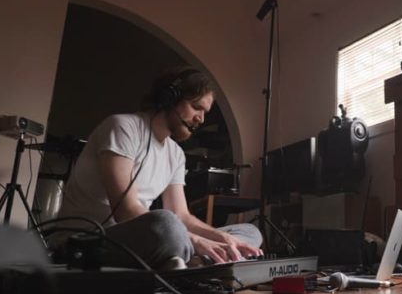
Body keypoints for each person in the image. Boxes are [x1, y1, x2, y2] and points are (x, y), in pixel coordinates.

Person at [55, 67, 262, 269]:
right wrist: (196, 241)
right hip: (87, 240)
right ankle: (196, 260)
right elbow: (125, 212)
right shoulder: (122, 127)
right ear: (169, 98)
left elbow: (182, 215)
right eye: (196, 107)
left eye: (205, 112)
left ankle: (189, 260)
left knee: (251, 233)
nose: (201, 119)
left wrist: (222, 238)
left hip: (146, 242)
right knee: (167, 225)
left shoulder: (176, 154)